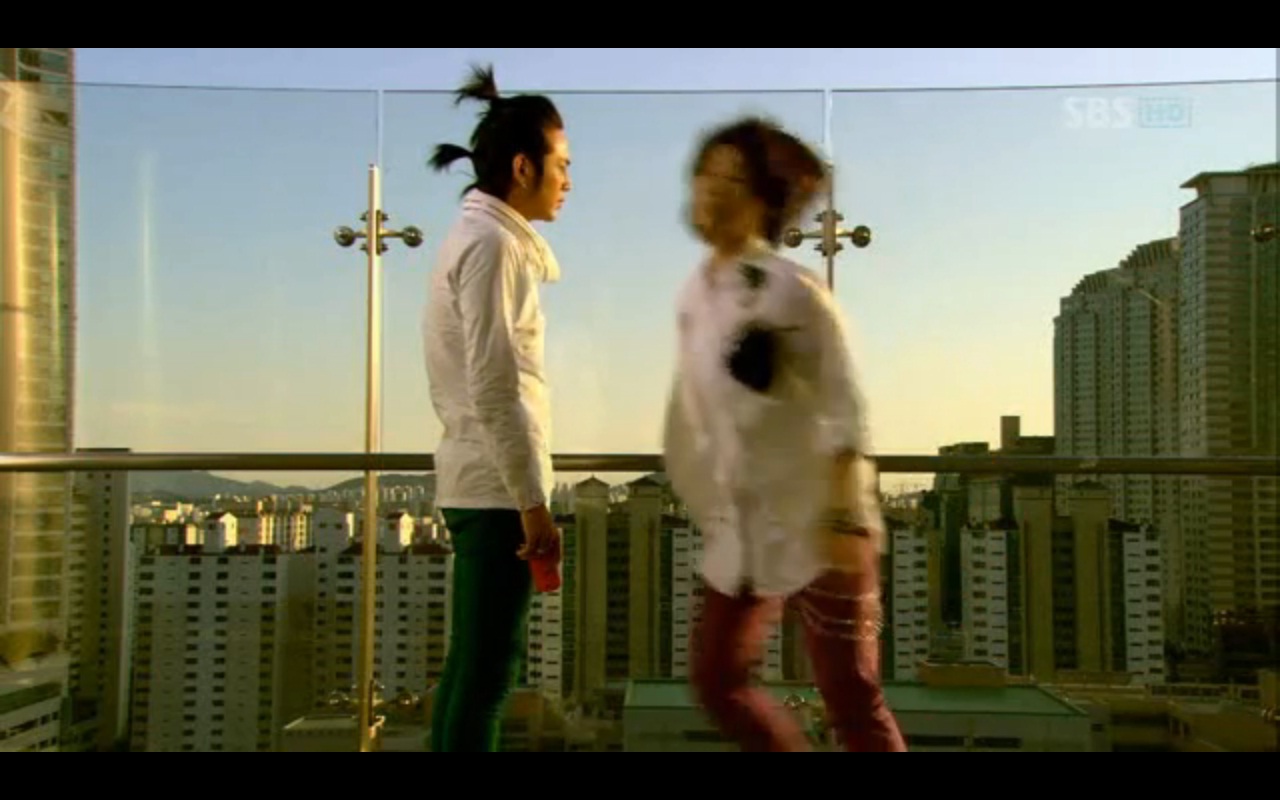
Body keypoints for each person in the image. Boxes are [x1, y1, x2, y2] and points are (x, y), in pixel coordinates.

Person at [663, 116, 906, 752]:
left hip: (823, 525)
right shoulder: (695, 296)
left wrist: (843, 520)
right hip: (745, 531)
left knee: (852, 700)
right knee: (717, 681)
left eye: (733, 179)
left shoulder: (796, 293)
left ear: (765, 202)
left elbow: (846, 410)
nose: (711, 189)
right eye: (707, 172)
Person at [423, 64, 571, 752]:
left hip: (479, 482)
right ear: (522, 167)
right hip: (495, 491)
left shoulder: (477, 237)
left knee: (471, 666)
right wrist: (532, 503)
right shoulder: (492, 246)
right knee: (487, 676)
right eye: (561, 165)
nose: (567, 181)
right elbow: (494, 384)